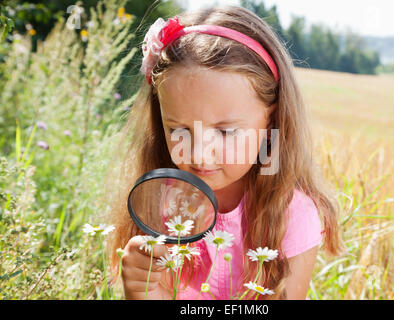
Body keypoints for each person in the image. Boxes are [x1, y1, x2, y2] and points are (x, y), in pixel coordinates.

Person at [105, 5, 343, 300]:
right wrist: (143, 292)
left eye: (226, 132)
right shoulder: (158, 202)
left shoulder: (291, 216)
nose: (200, 155)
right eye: (179, 131)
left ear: (271, 120)